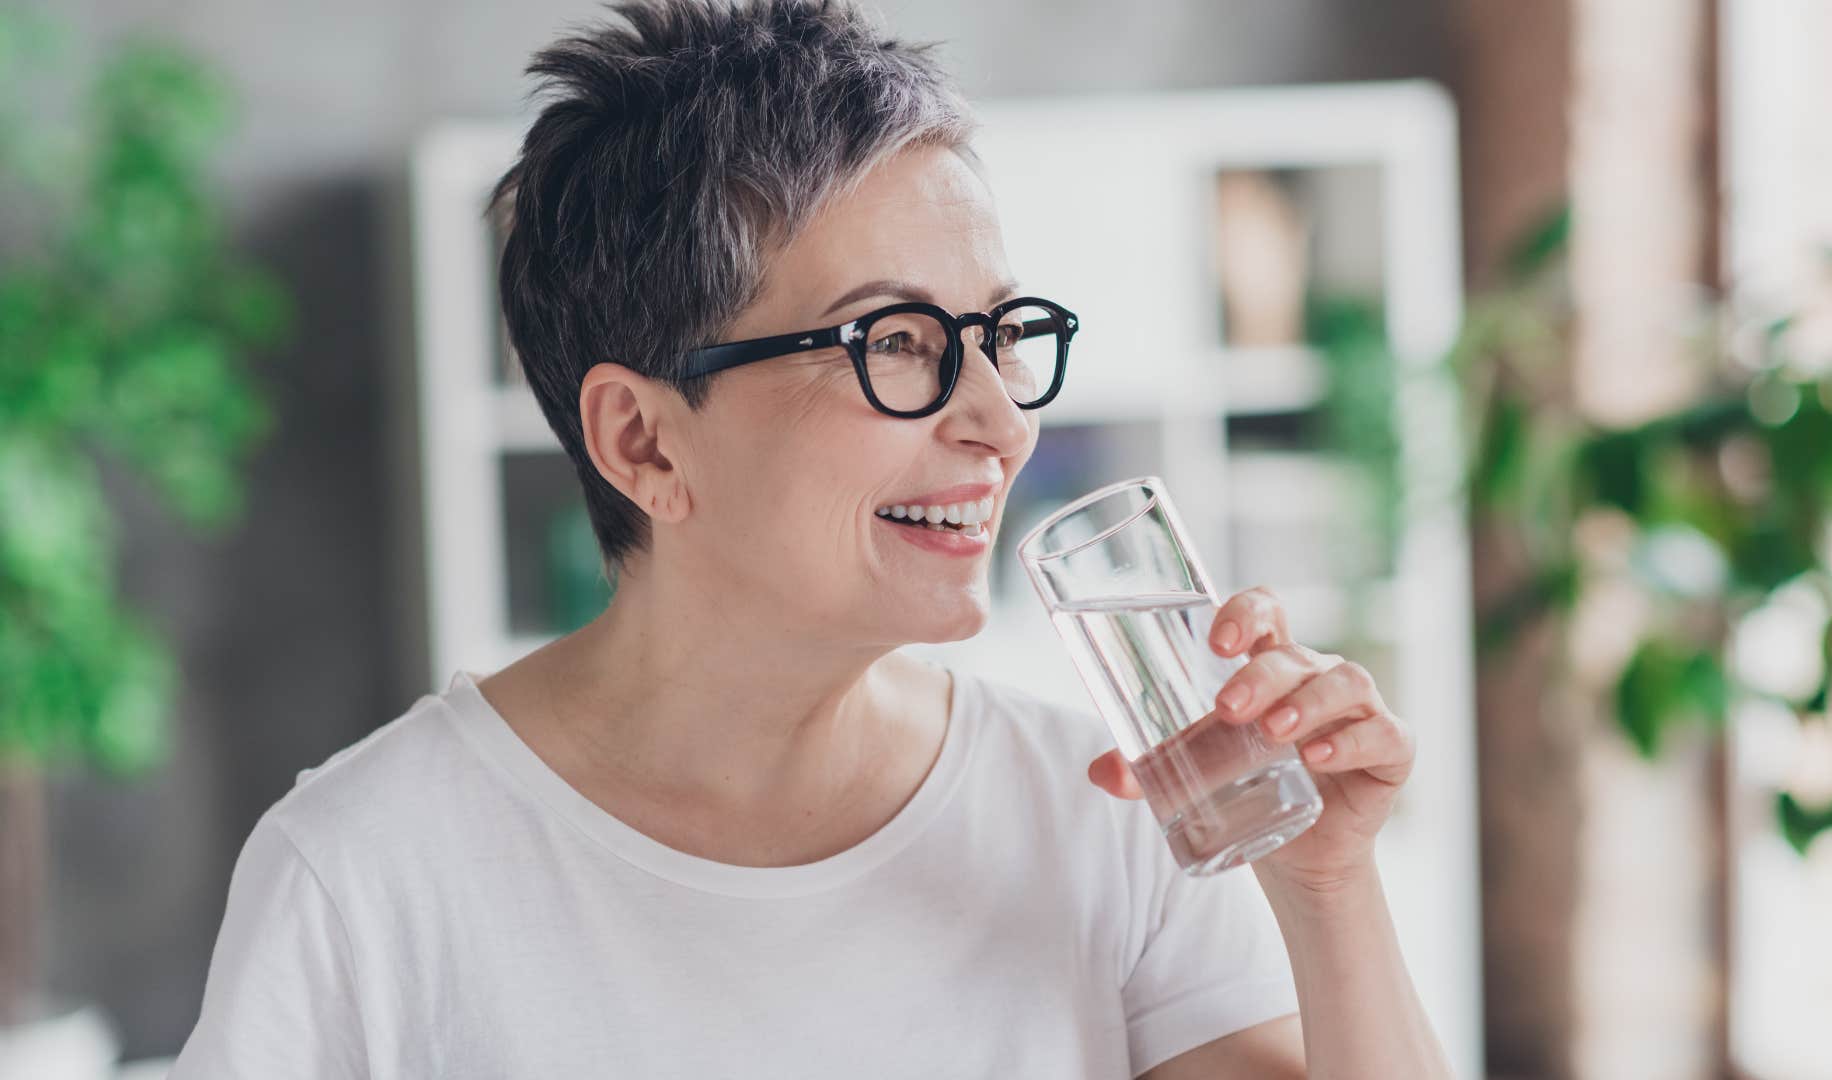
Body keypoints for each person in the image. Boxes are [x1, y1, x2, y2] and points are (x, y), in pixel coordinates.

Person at [172, 1, 1449, 1076]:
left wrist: (1328, 886)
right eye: (895, 344)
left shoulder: (1110, 817)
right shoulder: (366, 878)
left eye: (999, 335)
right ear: (645, 445)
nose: (1000, 421)